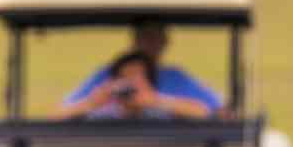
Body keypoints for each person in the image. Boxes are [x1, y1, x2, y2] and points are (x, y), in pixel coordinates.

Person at [59, 21, 221, 119]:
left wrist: (154, 101)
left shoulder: (174, 82)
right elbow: (59, 114)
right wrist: (93, 103)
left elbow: (211, 112)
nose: (150, 44)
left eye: (155, 38)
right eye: (145, 37)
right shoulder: (104, 105)